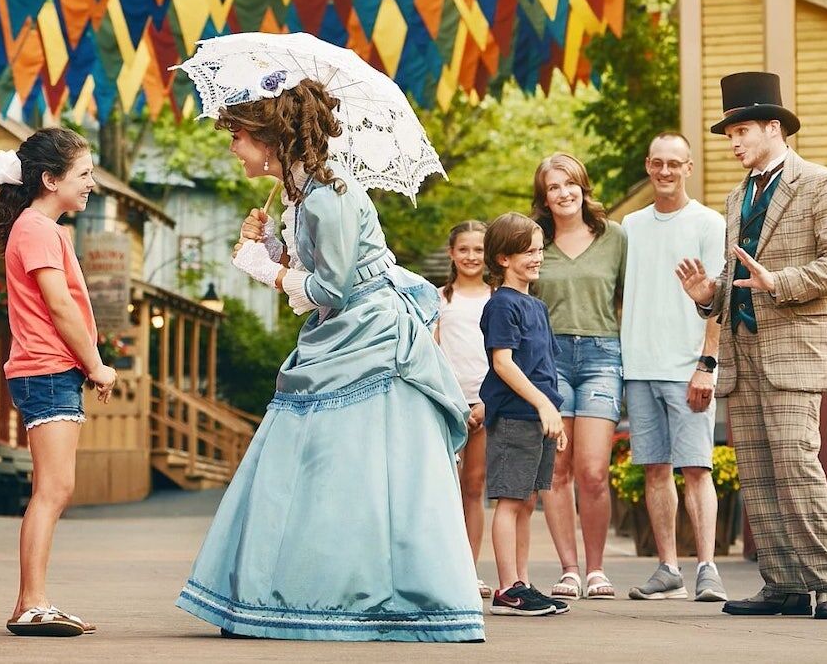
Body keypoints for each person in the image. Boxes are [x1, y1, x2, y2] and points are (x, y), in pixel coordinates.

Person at [173, 77, 485, 642]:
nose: (232, 148)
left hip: (369, 339)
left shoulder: (327, 194)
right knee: (315, 468)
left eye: (237, 136)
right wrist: (269, 248)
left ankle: (370, 597)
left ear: (267, 140)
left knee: (357, 471)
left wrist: (265, 267)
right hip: (334, 336)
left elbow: (334, 289)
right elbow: (315, 281)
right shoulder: (302, 195)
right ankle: (297, 591)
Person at [677, 71, 827, 619]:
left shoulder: (824, 184)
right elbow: (738, 283)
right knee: (757, 469)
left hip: (796, 351)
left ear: (774, 128)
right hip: (743, 351)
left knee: (797, 465)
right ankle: (783, 583)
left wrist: (778, 281)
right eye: (729, 134)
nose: (733, 143)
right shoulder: (737, 197)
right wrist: (708, 296)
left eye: (741, 132)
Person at [0, 128, 118, 637]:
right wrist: (97, 364)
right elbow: (60, 307)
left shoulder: (44, 229)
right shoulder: (38, 229)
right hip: (47, 368)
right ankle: (29, 603)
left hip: (49, 369)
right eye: (83, 174)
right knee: (53, 488)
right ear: (49, 179)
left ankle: (31, 601)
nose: (90, 184)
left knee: (55, 487)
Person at [621, 132, 728, 602]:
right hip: (639, 365)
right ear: (648, 165)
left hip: (688, 366)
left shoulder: (708, 223)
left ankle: (707, 568)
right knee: (654, 469)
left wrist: (707, 363)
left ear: (688, 168)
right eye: (658, 163)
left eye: (675, 164)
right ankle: (668, 570)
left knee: (696, 468)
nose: (665, 171)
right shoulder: (630, 225)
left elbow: (719, 300)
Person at [530, 153, 627, 601]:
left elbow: (626, 301)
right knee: (557, 469)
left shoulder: (615, 239)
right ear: (544, 198)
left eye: (570, 184)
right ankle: (569, 570)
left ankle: (596, 569)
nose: (563, 193)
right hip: (549, 360)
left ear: (583, 188)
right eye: (553, 187)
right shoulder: (534, 243)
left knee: (592, 470)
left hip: (601, 355)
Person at [479, 213, 570, 617]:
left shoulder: (536, 304)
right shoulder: (501, 305)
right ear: (502, 258)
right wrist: (542, 404)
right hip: (516, 416)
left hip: (538, 417)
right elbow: (504, 363)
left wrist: (554, 412)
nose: (537, 258)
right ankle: (506, 589)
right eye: (527, 252)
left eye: (538, 250)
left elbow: (544, 364)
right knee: (510, 501)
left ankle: (523, 582)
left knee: (527, 499)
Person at [435, 220, 494, 599]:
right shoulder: (440, 298)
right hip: (447, 402)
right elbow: (433, 349)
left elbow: (503, 355)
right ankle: (445, 569)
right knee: (444, 489)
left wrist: (484, 403)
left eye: (478, 249)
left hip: (487, 403)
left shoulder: (498, 296)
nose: (471, 256)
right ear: (452, 253)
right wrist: (453, 400)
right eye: (464, 249)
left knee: (474, 488)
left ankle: (470, 570)